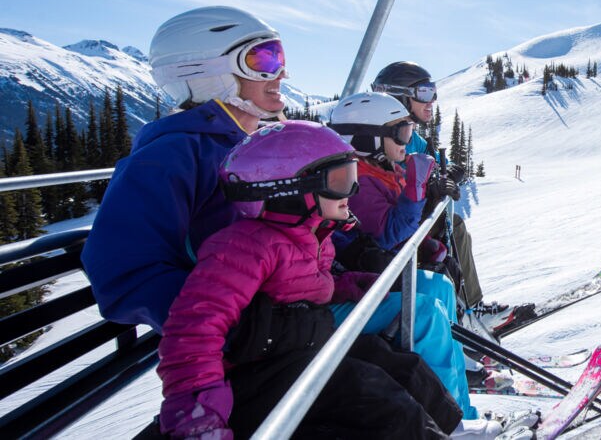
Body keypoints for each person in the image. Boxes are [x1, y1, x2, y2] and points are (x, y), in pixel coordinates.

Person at [156, 120, 460, 438]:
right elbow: (193, 330)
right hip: (252, 378)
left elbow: (298, 286)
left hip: (297, 351)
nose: (352, 191)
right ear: (290, 189)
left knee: (401, 366)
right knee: (377, 398)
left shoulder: (313, 235)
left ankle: (454, 428)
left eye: (353, 177)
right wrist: (197, 414)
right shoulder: (242, 246)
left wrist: (343, 285)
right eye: (341, 181)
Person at [83, 5, 288, 333]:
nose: (281, 74)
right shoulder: (170, 157)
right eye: (263, 60)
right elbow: (125, 276)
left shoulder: (252, 146)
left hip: (288, 313)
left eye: (279, 58)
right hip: (239, 342)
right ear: (207, 72)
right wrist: (243, 326)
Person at [326, 92, 484, 422]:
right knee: (426, 308)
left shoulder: (381, 170)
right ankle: (450, 419)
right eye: (400, 133)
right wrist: (417, 189)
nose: (407, 142)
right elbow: (389, 231)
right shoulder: (360, 181)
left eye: (409, 132)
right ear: (367, 138)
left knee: (440, 287)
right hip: (362, 277)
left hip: (376, 271)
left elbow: (402, 227)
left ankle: (461, 407)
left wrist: (427, 240)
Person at [370, 61, 535, 335]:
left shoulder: (410, 135)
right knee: (454, 228)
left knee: (453, 227)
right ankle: (469, 308)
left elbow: (430, 163)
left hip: (404, 218)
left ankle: (465, 307)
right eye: (423, 93)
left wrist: (447, 173)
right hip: (389, 226)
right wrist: (433, 183)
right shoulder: (385, 133)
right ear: (398, 95)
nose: (432, 100)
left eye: (433, 92)